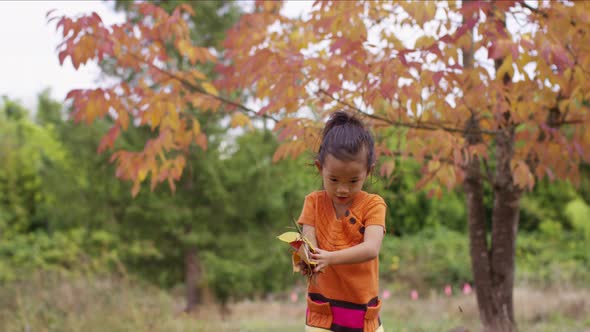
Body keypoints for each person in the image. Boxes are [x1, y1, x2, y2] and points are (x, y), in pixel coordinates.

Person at [297, 111, 387, 332]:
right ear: (320, 169)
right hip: (323, 311)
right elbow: (310, 247)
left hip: (362, 310)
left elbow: (371, 248)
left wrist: (330, 258)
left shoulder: (374, 205)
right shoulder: (313, 203)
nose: (342, 189)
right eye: (334, 179)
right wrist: (305, 259)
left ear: (368, 172)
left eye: (353, 180)